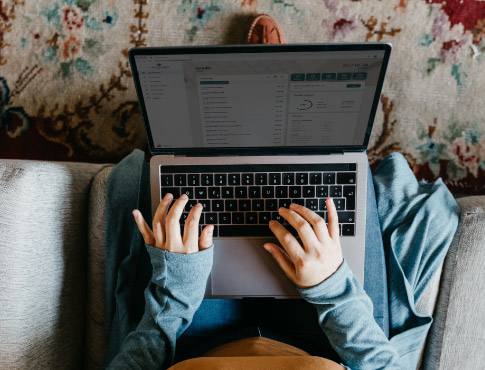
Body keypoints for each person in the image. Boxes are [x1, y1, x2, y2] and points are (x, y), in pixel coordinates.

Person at [104, 15, 459, 370]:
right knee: (343, 169)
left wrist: (175, 293)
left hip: (189, 338)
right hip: (325, 341)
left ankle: (253, 101)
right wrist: (332, 287)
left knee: (172, 164)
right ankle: (273, 106)